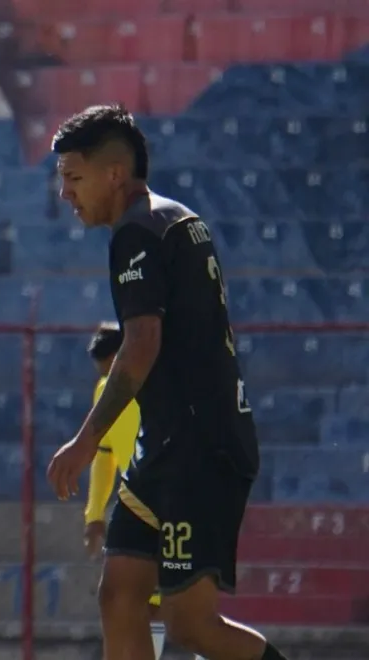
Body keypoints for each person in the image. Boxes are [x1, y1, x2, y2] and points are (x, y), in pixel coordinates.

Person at [45, 104, 288, 660]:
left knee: (190, 625)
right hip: (169, 446)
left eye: (73, 178)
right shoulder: (175, 217)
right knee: (120, 594)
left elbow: (141, 344)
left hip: (197, 450)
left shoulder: (136, 232)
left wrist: (85, 441)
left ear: (113, 174)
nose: (65, 195)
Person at [84, 321, 199, 660]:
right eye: (103, 375)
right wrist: (94, 515)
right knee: (139, 602)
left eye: (111, 371)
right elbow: (104, 457)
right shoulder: (105, 392)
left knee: (184, 608)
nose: (107, 381)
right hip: (136, 504)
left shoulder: (160, 389)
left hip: (175, 501)